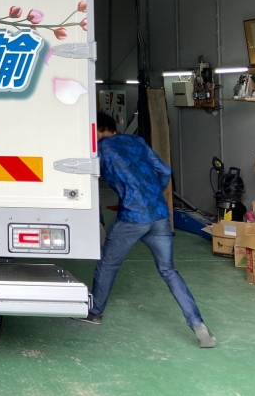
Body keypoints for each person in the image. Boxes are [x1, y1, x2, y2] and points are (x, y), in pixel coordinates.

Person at [83, 112, 216, 349]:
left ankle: (95, 312)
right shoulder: (137, 141)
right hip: (159, 215)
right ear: (115, 128)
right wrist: (153, 194)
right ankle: (199, 326)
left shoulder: (100, 149)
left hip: (132, 217)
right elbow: (164, 171)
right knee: (168, 270)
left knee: (108, 265)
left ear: (97, 131)